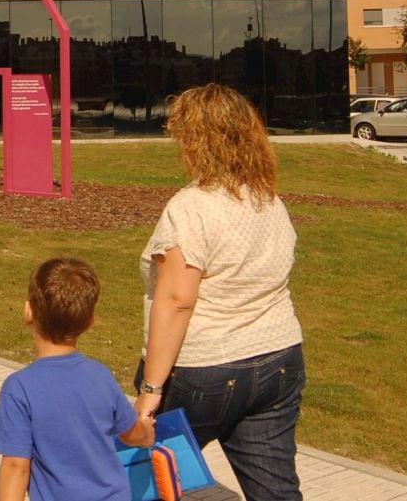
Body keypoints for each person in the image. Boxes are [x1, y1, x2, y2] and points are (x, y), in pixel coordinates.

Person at [134, 83, 305, 501]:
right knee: (276, 491)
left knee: (145, 480)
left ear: (196, 140)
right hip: (279, 361)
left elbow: (176, 300)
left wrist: (150, 391)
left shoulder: (190, 207)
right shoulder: (268, 200)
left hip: (204, 369)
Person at [0, 256, 154, 501]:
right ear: (89, 321)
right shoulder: (100, 375)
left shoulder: (19, 388)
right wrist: (147, 433)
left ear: (28, 312)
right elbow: (130, 432)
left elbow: (16, 465)